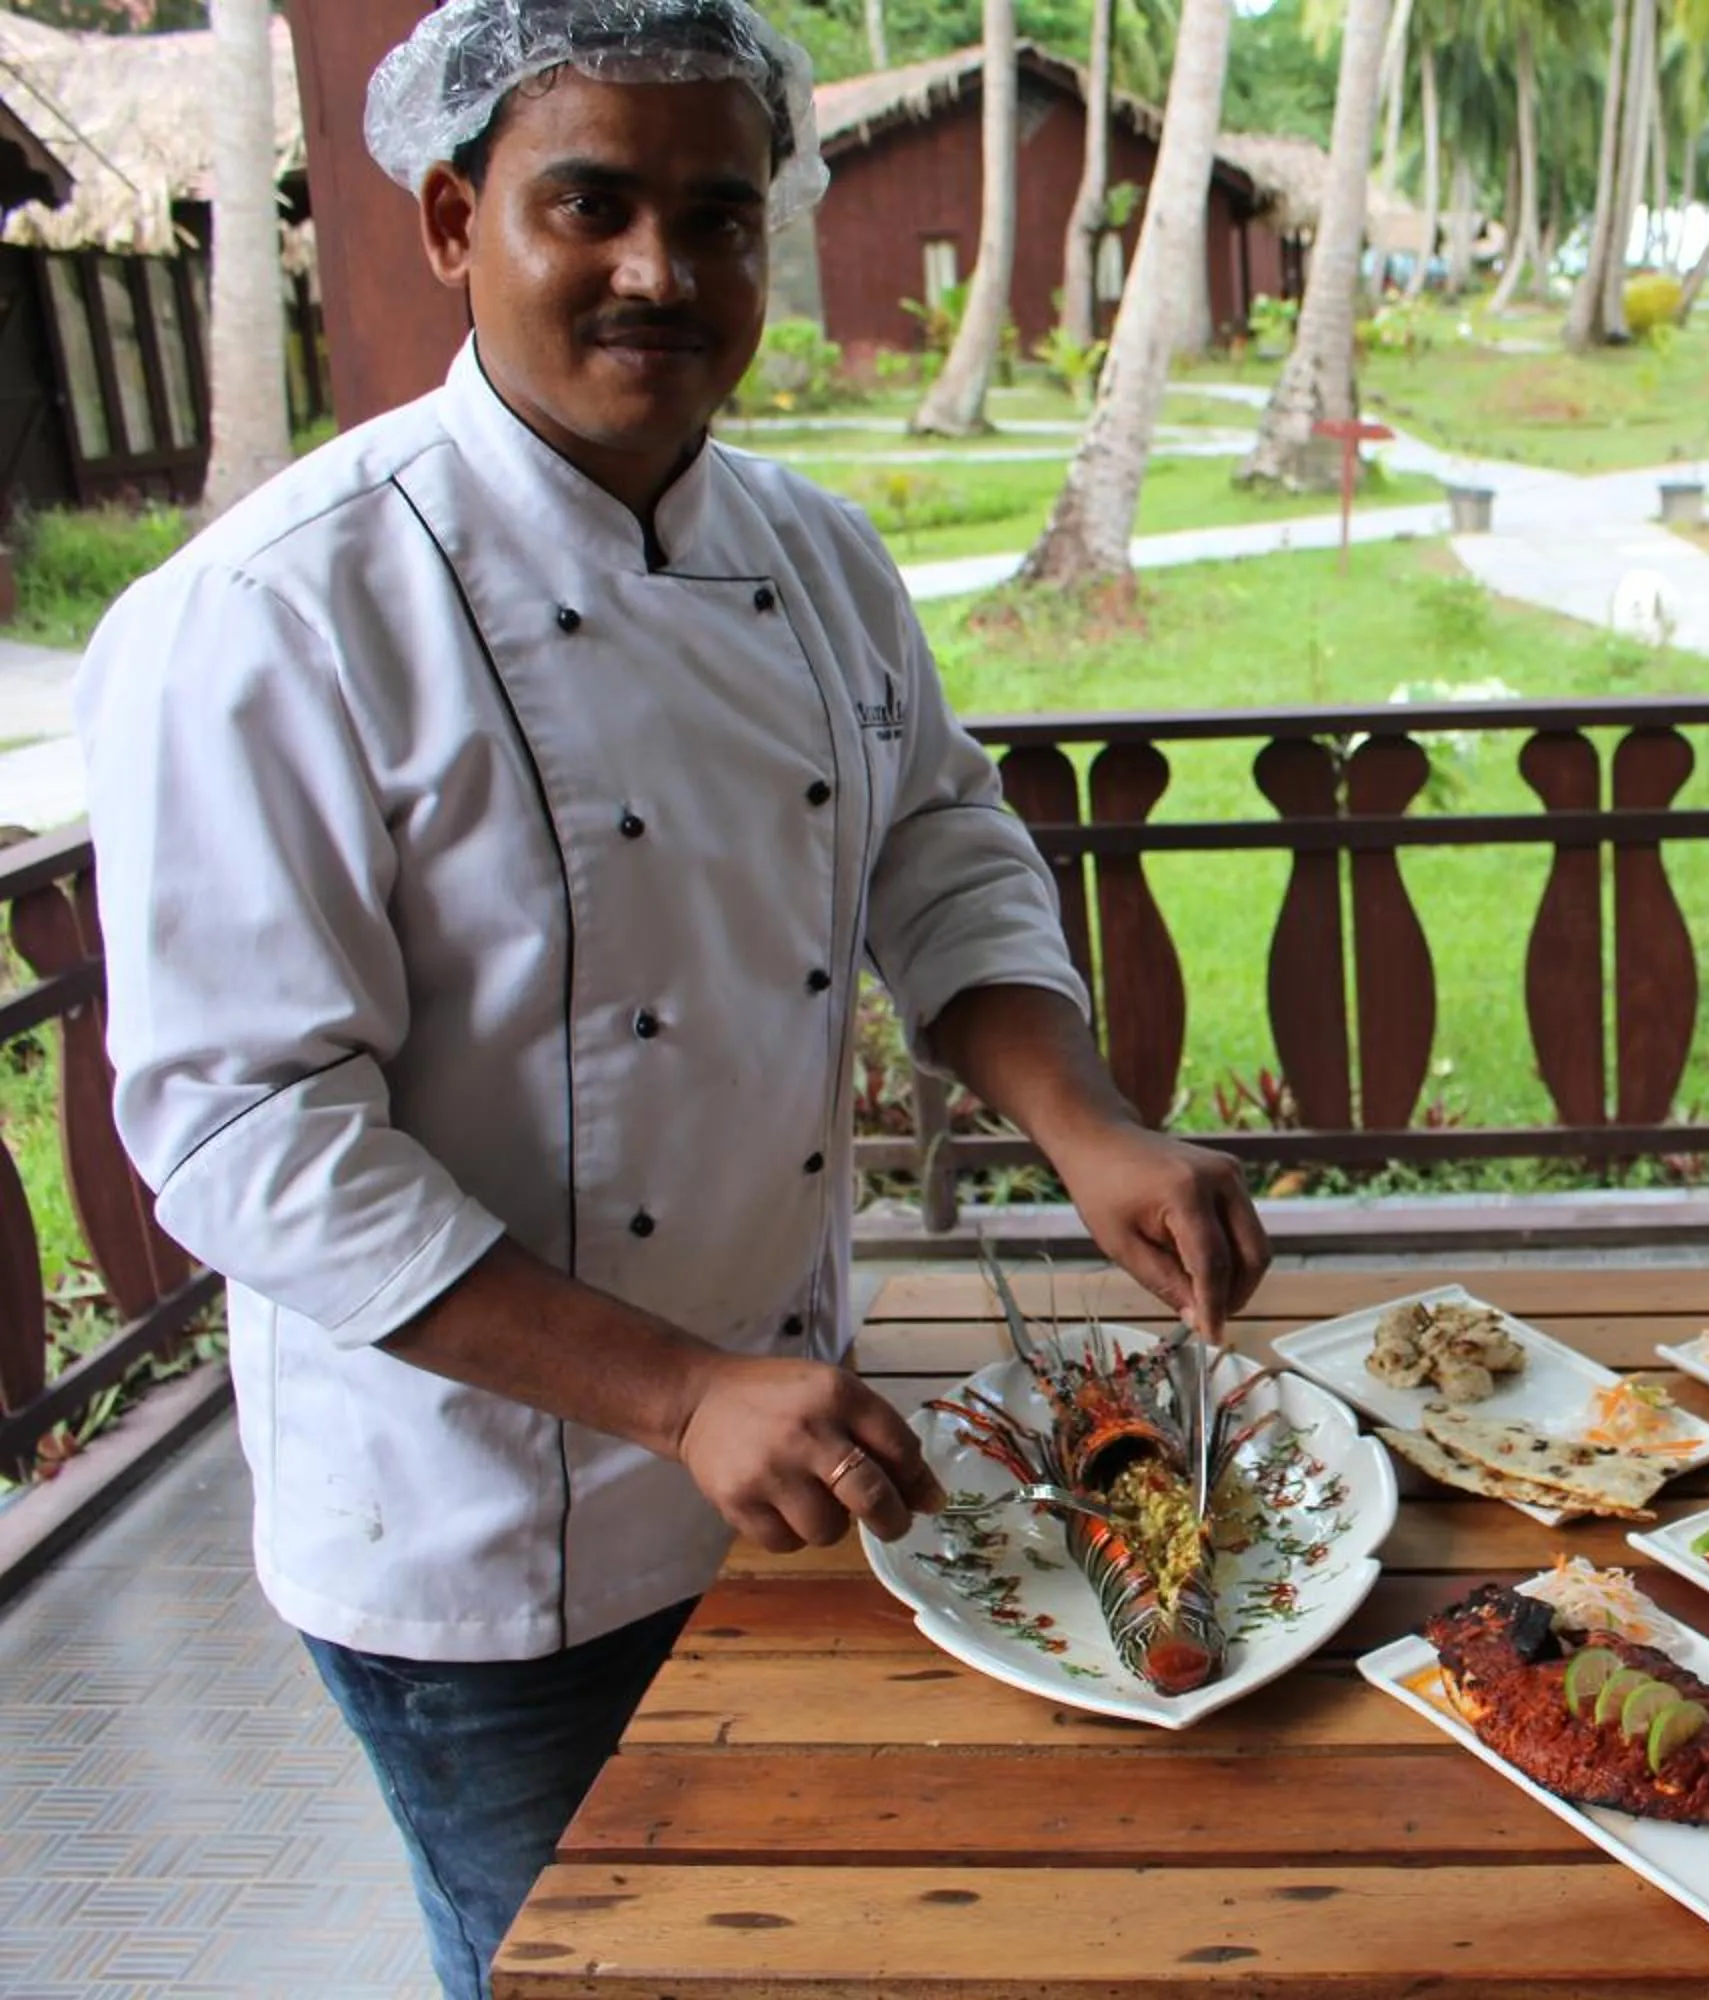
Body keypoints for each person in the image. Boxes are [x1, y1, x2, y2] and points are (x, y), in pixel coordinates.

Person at [72, 4, 1269, 1994]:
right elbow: (245, 1131)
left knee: (801, 1936)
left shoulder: (810, 552)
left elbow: (934, 850)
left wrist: (1085, 1123)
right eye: (590, 204)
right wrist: (673, 1390)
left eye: (718, 217)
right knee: (577, 1963)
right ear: (456, 221)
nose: (661, 270)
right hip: (478, 1530)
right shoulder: (272, 615)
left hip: (794, 1443)